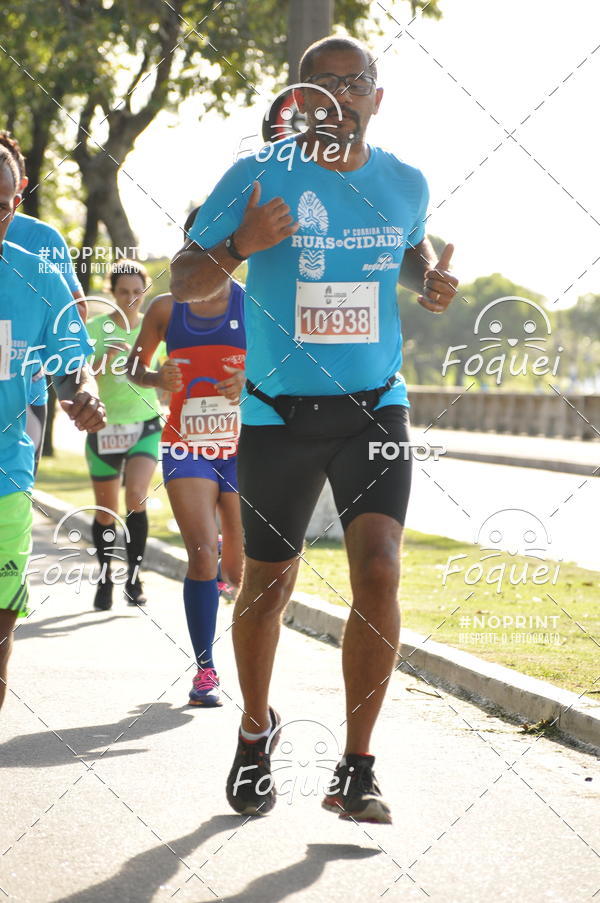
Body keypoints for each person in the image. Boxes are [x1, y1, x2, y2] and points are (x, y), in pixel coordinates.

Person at [171, 36, 458, 822]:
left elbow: (404, 246)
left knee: (381, 569)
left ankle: (358, 766)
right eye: (319, 86)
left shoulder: (405, 182)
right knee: (269, 585)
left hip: (375, 404)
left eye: (352, 83)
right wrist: (239, 245)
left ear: (376, 96)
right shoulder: (258, 175)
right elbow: (184, 275)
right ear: (299, 100)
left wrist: (428, 278)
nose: (337, 97)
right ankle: (256, 732)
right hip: (274, 412)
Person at [0, 146, 105, 710]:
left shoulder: (41, 251)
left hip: (8, 455)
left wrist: (79, 391)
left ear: (18, 198)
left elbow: (68, 350)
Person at [127, 232, 246, 706]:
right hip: (186, 444)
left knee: (237, 568)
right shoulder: (164, 308)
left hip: (243, 446)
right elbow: (133, 368)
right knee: (201, 555)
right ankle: (205, 672)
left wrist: (251, 375)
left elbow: (290, 364)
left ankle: (226, 561)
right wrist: (156, 376)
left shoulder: (254, 304)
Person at [0, 132, 87, 473]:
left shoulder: (43, 239)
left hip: (27, 393)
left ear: (19, 188)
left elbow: (73, 311)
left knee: (17, 487)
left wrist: (37, 349)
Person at [85, 259, 165, 611]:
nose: (131, 298)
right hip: (103, 427)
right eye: (123, 292)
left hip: (144, 424)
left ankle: (134, 578)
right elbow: (79, 376)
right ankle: (105, 577)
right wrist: (108, 357)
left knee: (136, 497)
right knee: (106, 511)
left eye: (137, 292)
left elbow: (162, 373)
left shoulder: (155, 328)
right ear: (112, 292)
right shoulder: (95, 328)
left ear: (144, 292)